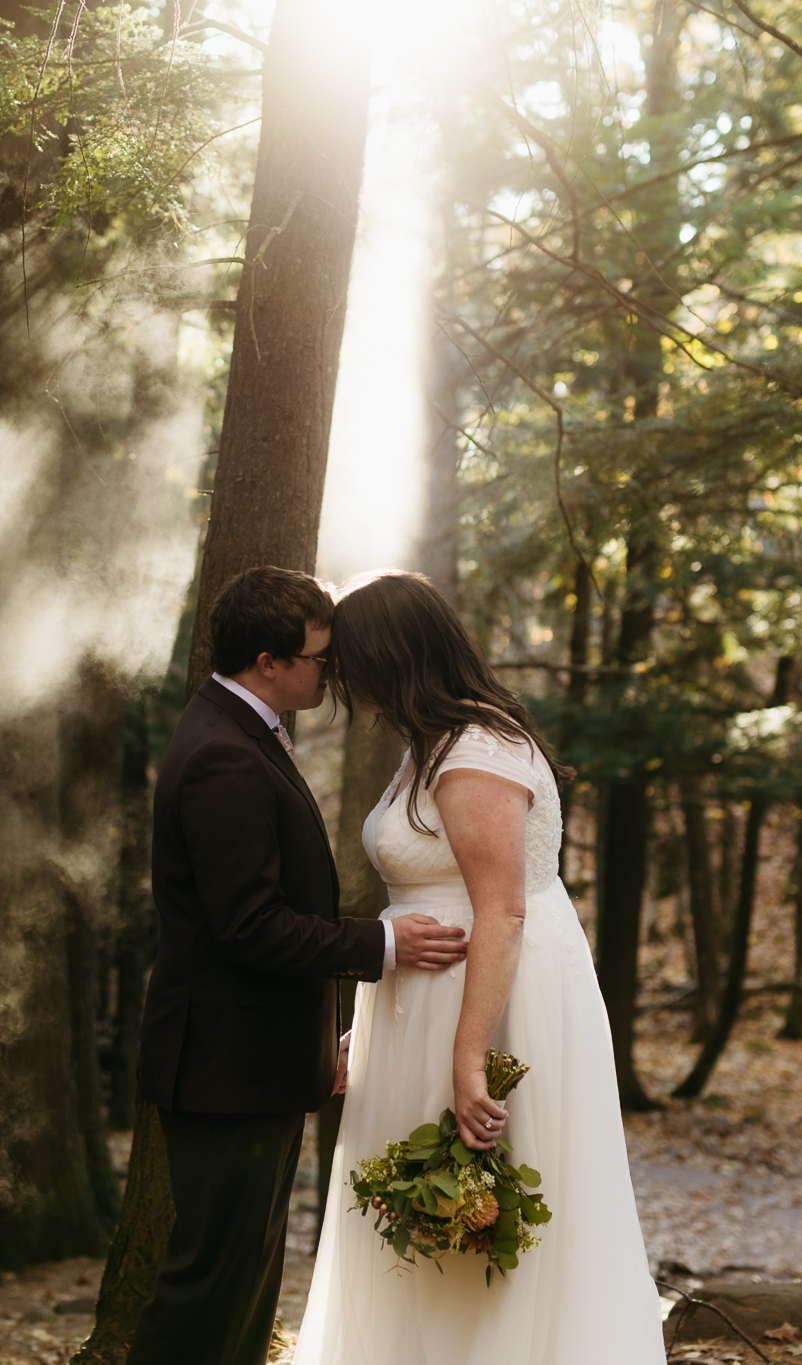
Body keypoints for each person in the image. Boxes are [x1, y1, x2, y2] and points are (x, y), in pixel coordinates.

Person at [293, 571, 666, 1364]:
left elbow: (501, 908)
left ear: (391, 656)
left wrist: (469, 1059)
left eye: (349, 661)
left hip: (489, 1001)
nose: (339, 680)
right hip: (422, 1004)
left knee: (482, 1212)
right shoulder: (432, 744)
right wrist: (372, 1034)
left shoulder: (477, 751)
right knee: (430, 1218)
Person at [127, 565, 471, 1365]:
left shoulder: (243, 732)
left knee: (241, 1286)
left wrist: (322, 1046)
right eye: (319, 657)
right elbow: (250, 926)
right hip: (223, 1070)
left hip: (251, 1064)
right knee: (206, 1285)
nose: (332, 670)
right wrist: (382, 945)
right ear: (268, 661)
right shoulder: (224, 754)